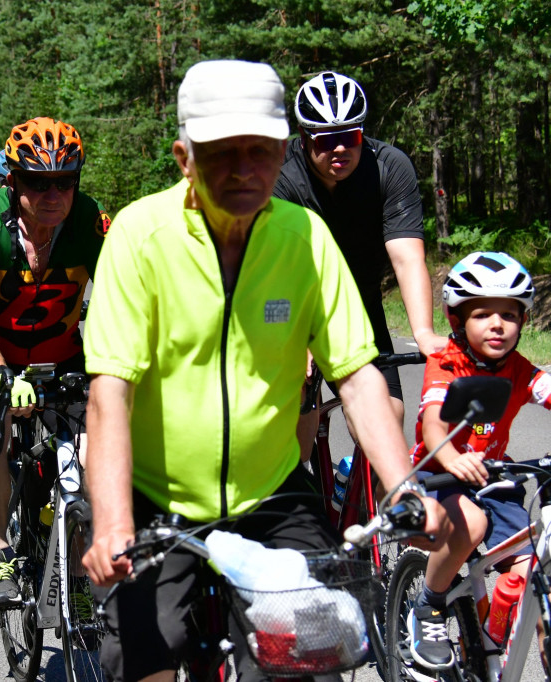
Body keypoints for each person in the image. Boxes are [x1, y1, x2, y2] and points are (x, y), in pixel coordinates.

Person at [80, 60, 446, 682]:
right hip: (154, 497)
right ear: (184, 157)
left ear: (284, 153)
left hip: (271, 494)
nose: (245, 169)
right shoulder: (141, 235)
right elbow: (110, 392)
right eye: (222, 152)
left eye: (262, 150)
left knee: (314, 650)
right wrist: (113, 520)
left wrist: (402, 486)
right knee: (146, 657)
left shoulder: (305, 237)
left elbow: (357, 374)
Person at [0, 117, 110, 608]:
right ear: (12, 180)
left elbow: (120, 297)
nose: (52, 193)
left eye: (64, 181)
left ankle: (78, 576)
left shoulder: (89, 220)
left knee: (95, 456)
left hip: (63, 354)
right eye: (38, 181)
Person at [273, 71, 446, 458]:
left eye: (349, 138)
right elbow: (273, 264)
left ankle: (361, 492)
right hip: (292, 303)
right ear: (303, 140)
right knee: (293, 446)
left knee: (386, 427)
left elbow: (406, 257)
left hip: (358, 308)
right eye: (326, 140)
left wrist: (422, 331)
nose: (339, 150)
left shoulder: (388, 167)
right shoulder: (280, 173)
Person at [405, 251, 548, 669]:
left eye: (509, 314)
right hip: (438, 476)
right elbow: (434, 426)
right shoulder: (447, 364)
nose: (498, 324)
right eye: (483, 314)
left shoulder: (518, 369)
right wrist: (450, 456)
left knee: (533, 563)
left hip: (491, 478)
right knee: (473, 522)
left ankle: (489, 643)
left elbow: (546, 388)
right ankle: (428, 606)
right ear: (457, 320)